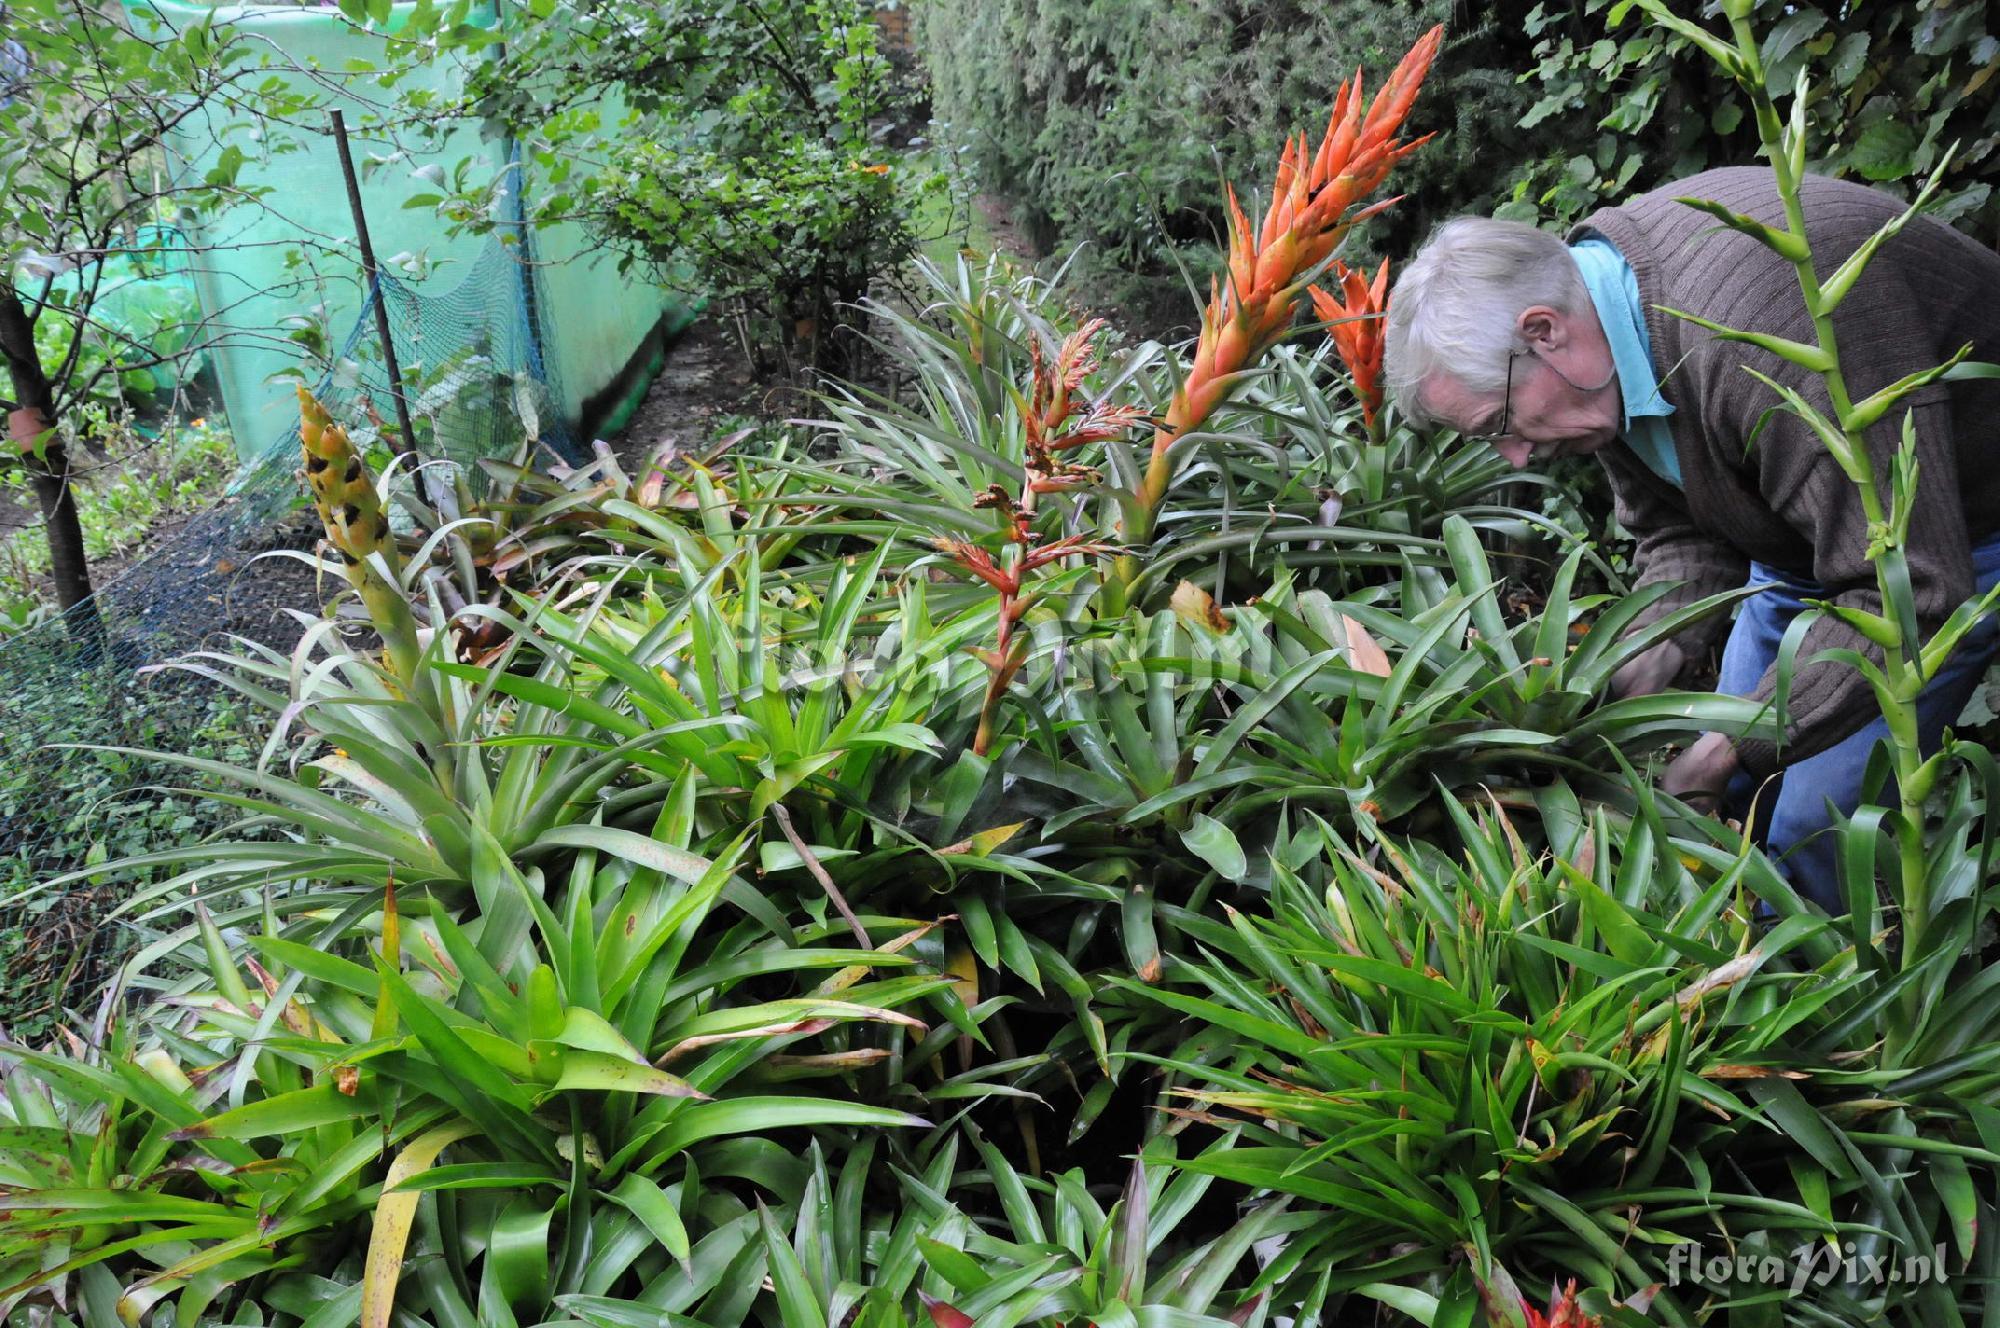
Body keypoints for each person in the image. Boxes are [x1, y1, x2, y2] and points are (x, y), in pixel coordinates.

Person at [1382, 167, 2000, 911]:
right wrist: (1653, 652)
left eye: (1498, 425)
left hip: (1949, 535)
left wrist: (1733, 743)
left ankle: (1828, 1000)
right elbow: (1680, 529)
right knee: (1723, 773)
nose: (1516, 456)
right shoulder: (1600, 344)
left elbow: (1912, 589)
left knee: (1813, 824)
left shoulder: (1760, 329)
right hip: (1816, 546)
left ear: (1543, 332)